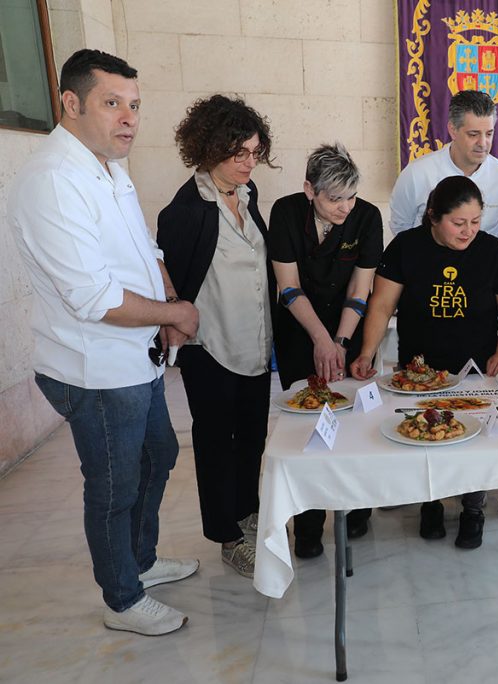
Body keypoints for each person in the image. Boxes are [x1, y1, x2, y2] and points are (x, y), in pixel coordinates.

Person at [8, 49, 199, 636]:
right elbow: (94, 298)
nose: (128, 119)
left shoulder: (108, 166)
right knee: (114, 485)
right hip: (95, 369)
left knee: (158, 455)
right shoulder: (53, 182)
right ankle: (122, 598)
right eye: (112, 103)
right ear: (71, 103)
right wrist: (175, 311)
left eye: (134, 105)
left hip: (136, 358)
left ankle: (139, 561)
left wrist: (166, 301)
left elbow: (145, 250)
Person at [351, 176, 498, 549]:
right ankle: (430, 503)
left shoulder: (492, 251)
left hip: (474, 369)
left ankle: (472, 509)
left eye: (476, 221)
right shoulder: (407, 247)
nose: (469, 231)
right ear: (433, 216)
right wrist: (367, 352)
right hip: (421, 371)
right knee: (426, 436)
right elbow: (381, 305)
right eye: (458, 223)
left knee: (473, 440)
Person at [157, 95, 276, 579]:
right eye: (239, 153)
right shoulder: (186, 209)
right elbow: (169, 279)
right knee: (214, 442)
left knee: (251, 435)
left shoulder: (247, 196)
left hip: (254, 342)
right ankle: (227, 535)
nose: (249, 161)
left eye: (254, 151)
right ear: (208, 150)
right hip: (211, 346)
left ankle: (248, 513)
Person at [268, 143, 383, 558]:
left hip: (346, 330)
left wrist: (338, 343)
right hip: (300, 327)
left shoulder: (366, 218)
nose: (345, 207)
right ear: (309, 190)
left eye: (350, 197)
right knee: (307, 421)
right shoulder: (285, 213)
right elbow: (288, 286)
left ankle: (355, 512)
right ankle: (310, 525)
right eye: (334, 199)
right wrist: (319, 340)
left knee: (353, 420)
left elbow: (360, 288)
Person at [389, 90, 498, 241]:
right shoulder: (416, 173)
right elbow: (401, 229)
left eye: (489, 134)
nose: (483, 143)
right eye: (473, 134)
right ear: (453, 130)